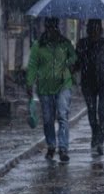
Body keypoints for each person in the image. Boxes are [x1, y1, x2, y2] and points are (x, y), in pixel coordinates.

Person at [26, 17, 78, 162]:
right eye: (49, 27)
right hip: (45, 87)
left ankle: (63, 148)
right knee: (48, 119)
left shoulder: (65, 43)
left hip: (63, 85)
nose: (52, 30)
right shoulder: (38, 46)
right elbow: (32, 66)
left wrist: (67, 64)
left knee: (62, 115)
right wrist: (29, 83)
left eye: (55, 27)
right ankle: (51, 145)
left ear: (58, 27)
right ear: (46, 28)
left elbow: (74, 57)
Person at [76, 19, 104, 156]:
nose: (94, 32)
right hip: (88, 83)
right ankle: (95, 134)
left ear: (100, 30)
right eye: (92, 29)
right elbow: (78, 62)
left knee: (102, 111)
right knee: (91, 112)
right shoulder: (82, 43)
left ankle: (100, 141)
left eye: (97, 29)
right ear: (88, 30)